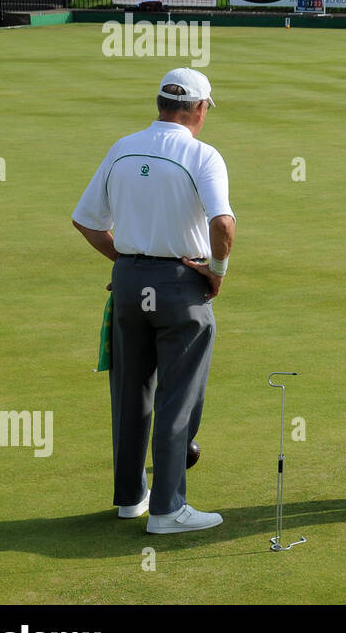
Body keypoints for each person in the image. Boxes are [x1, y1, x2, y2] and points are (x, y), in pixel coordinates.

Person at [72, 68, 235, 534]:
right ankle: (167, 509)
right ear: (200, 109)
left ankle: (130, 498)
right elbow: (222, 225)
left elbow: (86, 220)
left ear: (160, 103)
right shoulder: (203, 155)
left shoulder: (122, 148)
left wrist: (125, 262)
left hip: (127, 284)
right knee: (177, 399)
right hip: (180, 284)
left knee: (130, 393)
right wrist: (217, 273)